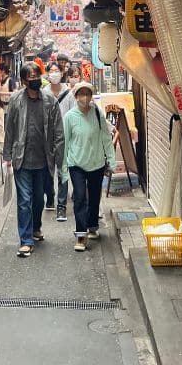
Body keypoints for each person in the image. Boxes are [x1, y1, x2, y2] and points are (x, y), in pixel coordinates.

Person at [3, 62, 64, 258]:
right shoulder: (15, 100)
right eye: (31, 78)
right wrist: (7, 156)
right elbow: (10, 128)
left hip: (43, 159)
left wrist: (59, 157)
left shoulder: (49, 101)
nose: (35, 80)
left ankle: (36, 227)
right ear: (23, 81)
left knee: (39, 199)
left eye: (37, 76)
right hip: (21, 158)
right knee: (24, 200)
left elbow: (58, 131)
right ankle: (26, 240)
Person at [61, 82, 116, 253]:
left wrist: (111, 161)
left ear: (91, 96)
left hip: (97, 163)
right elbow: (64, 143)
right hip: (76, 163)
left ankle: (92, 225)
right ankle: (80, 234)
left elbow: (106, 137)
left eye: (87, 94)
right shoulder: (69, 117)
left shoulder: (97, 114)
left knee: (94, 197)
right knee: (79, 197)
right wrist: (63, 167)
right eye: (81, 94)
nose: (84, 97)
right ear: (76, 96)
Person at [43, 62, 75, 220]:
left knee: (63, 170)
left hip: (64, 137)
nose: (54, 73)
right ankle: (50, 197)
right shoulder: (43, 93)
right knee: (48, 171)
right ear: (47, 74)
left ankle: (61, 205)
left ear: (62, 74)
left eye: (57, 71)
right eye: (52, 71)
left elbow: (73, 114)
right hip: (47, 138)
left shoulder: (69, 94)